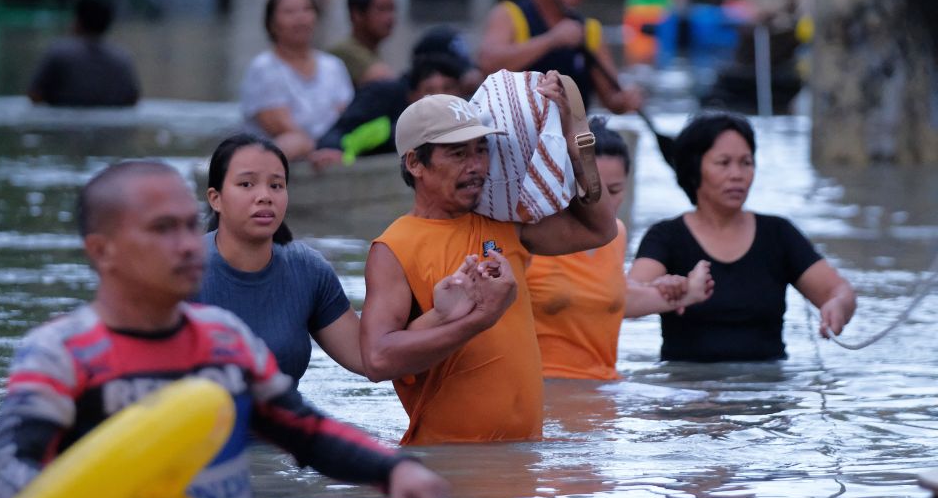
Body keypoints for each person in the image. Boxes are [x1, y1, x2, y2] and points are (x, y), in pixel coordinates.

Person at [0, 160, 447, 498]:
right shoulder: (62, 354)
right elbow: (6, 473)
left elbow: (304, 430)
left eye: (188, 225)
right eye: (163, 229)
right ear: (103, 251)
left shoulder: (224, 343)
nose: (187, 244)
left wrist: (394, 470)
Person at [359, 79, 618, 446]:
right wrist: (480, 318)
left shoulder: (504, 222)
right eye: (458, 153)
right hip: (450, 465)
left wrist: (578, 142)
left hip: (522, 462)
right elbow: (377, 360)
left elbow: (599, 230)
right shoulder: (393, 247)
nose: (477, 165)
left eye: (481, 150)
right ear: (416, 162)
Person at [198, 133, 477, 386]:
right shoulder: (177, 270)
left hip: (282, 439)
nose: (264, 197)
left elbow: (370, 359)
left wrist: (442, 315)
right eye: (246, 184)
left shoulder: (307, 270)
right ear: (215, 199)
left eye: (276, 185)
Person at [628, 112, 857, 362]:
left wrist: (838, 306)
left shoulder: (778, 234)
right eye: (723, 163)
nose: (737, 174)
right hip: (688, 390)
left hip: (767, 389)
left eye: (746, 163)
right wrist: (664, 289)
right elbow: (627, 299)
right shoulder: (666, 237)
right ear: (694, 169)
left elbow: (838, 290)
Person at [526, 117, 714, 380]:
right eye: (589, 189)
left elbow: (610, 297)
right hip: (543, 389)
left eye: (613, 191)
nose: (600, 202)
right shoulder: (529, 236)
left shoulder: (616, 235)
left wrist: (683, 293)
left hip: (604, 386)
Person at [477, 0, 643, 113]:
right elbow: (487, 64)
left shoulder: (590, 30)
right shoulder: (509, 15)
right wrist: (552, 40)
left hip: (571, 139)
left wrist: (626, 99)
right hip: (520, 137)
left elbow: (611, 99)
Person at [240, 0, 353, 161]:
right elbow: (280, 127)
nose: (301, 18)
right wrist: (315, 149)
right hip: (283, 155)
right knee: (295, 141)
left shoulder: (333, 66)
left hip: (331, 150)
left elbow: (345, 119)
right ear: (272, 24)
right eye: (289, 12)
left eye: (307, 9)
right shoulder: (263, 68)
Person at [310, 53, 464, 170]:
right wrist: (333, 150)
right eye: (429, 90)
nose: (440, 97)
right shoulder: (383, 106)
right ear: (412, 95)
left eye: (448, 88)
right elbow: (341, 129)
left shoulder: (470, 116)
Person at [27, 0, 140, 107]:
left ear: (78, 21)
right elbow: (133, 99)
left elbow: (34, 95)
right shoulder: (122, 58)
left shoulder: (58, 52)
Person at [327, 0, 397, 88]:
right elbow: (386, 80)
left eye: (391, 9)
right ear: (357, 15)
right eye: (381, 9)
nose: (390, 17)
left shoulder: (373, 51)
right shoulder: (343, 52)